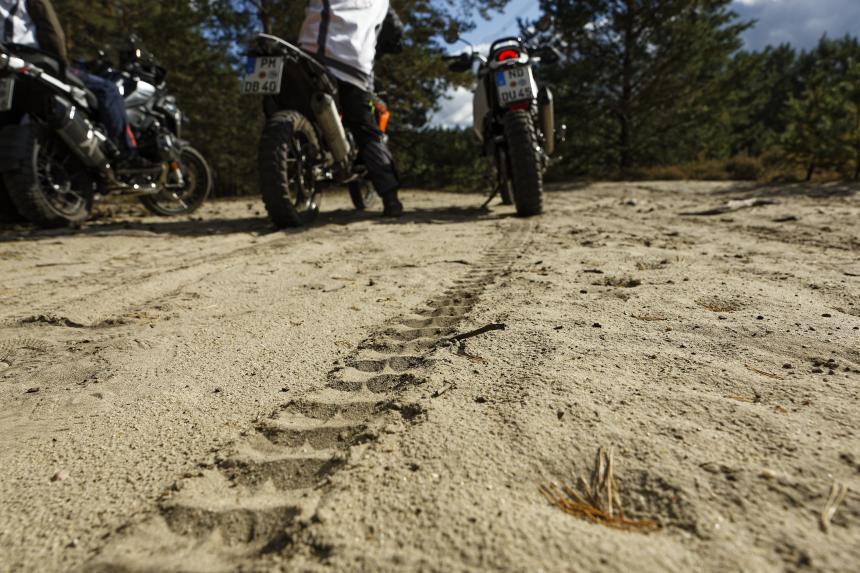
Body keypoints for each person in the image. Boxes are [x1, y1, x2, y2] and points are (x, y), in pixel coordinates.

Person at [299, 0, 404, 217]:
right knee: (367, 132)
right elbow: (395, 32)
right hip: (349, 66)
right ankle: (391, 199)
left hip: (305, 58)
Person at [0, 0, 134, 158]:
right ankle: (124, 150)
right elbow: (51, 30)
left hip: (6, 63)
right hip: (33, 59)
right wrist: (61, 63)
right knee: (108, 89)